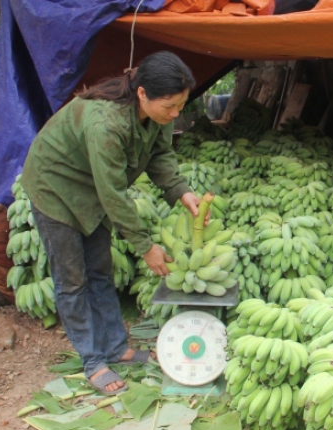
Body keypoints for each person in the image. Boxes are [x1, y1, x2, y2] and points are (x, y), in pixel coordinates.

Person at [20, 51, 200, 395]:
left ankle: (117, 347)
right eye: (170, 106)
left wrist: (179, 190)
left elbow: (160, 155)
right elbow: (114, 194)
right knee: (72, 279)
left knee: (100, 271)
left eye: (181, 105)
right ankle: (92, 360)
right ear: (143, 93)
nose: (176, 113)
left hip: (93, 188)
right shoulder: (106, 123)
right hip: (55, 187)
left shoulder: (156, 117)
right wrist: (146, 247)